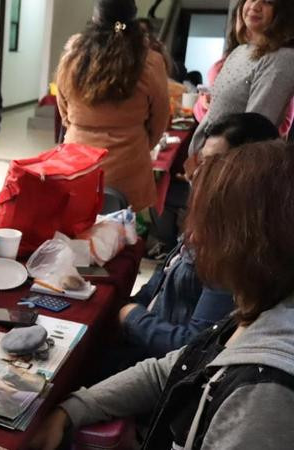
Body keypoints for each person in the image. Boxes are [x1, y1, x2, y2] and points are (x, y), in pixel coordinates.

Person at [30, 138, 294, 450]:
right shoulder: (256, 315)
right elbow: (170, 370)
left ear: (250, 243)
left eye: (209, 224)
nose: (193, 237)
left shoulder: (262, 393)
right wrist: (72, 409)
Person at [99, 113, 279, 379]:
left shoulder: (233, 251)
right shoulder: (207, 222)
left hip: (157, 369)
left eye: (213, 165)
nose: (194, 174)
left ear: (247, 175)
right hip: (142, 345)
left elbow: (195, 348)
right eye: (201, 161)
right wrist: (128, 309)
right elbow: (156, 287)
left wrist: (130, 316)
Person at [56, 0, 169, 211]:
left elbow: (64, 110)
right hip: (129, 174)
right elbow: (160, 119)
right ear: (134, 21)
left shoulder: (73, 56)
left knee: (75, 232)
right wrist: (140, 143)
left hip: (77, 167)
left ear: (94, 20)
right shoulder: (151, 61)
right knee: (126, 237)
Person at [188, 0, 294, 156]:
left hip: (233, 170)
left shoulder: (282, 58)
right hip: (208, 162)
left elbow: (253, 133)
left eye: (268, 2)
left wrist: (205, 160)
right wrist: (195, 157)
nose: (255, 6)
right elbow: (212, 115)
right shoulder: (241, 50)